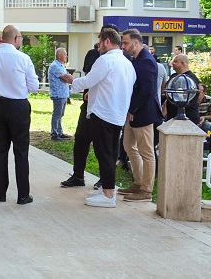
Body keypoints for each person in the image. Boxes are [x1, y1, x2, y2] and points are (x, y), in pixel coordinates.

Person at [60, 27, 135, 208]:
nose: (98, 46)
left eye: (100, 42)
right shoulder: (127, 63)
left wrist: (71, 80)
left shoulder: (105, 60)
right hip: (117, 113)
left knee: (104, 154)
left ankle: (108, 195)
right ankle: (107, 190)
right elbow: (115, 85)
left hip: (103, 113)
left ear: (107, 42)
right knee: (109, 152)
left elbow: (88, 80)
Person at [0, 25, 39, 205]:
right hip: (18, 106)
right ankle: (23, 195)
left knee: (0, 150)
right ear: (16, 39)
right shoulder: (23, 58)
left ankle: (0, 192)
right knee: (21, 151)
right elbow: (34, 86)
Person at [60, 23, 119, 189]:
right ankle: (78, 175)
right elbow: (89, 75)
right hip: (89, 104)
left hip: (106, 106)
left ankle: (105, 179)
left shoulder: (117, 58)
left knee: (107, 146)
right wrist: (90, 90)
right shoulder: (94, 54)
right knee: (81, 138)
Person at [118, 29, 161, 202]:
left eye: (126, 43)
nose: (123, 46)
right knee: (129, 146)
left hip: (143, 113)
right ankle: (138, 182)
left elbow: (147, 91)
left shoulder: (147, 61)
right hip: (133, 113)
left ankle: (146, 190)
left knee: (146, 152)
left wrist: (132, 110)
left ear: (136, 43)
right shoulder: (136, 59)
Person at [167, 54, 204, 130]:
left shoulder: (191, 79)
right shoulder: (173, 76)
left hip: (188, 117)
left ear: (183, 63)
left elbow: (198, 96)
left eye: (175, 61)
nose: (172, 63)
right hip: (172, 116)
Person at [47, 47, 71, 141]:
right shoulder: (55, 66)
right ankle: (54, 133)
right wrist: (68, 77)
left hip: (63, 93)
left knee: (61, 114)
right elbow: (65, 78)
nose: (66, 56)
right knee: (57, 114)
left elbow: (67, 77)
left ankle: (60, 132)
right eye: (65, 54)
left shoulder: (61, 65)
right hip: (58, 94)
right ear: (59, 56)